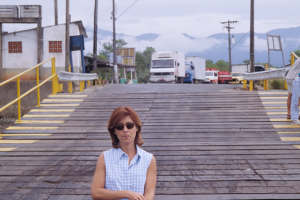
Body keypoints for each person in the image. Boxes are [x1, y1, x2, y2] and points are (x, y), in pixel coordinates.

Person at [91, 107, 157, 200]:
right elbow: (96, 192)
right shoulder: (105, 158)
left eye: (129, 125)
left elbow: (149, 193)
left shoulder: (149, 159)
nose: (125, 130)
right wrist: (125, 193)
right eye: (119, 126)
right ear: (114, 130)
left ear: (137, 127)